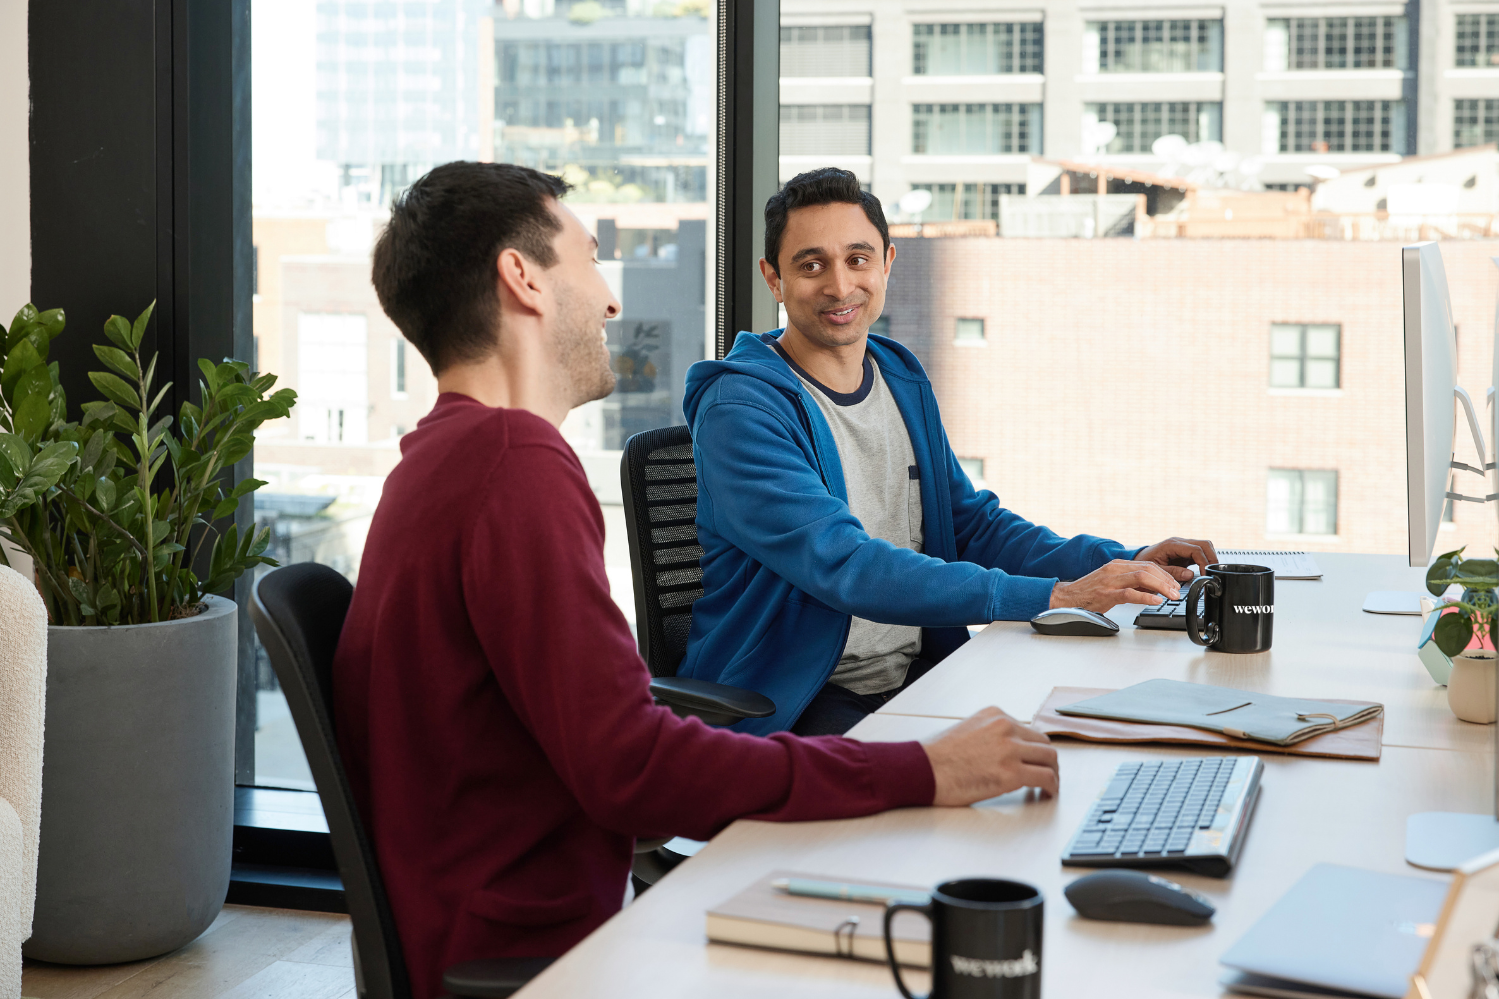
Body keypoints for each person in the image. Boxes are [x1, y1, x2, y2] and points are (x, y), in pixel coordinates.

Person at [333, 161, 1061, 999]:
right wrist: (920, 769)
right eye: (591, 258)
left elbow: (608, 751)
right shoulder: (512, 467)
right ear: (523, 278)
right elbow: (633, 768)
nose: (610, 301)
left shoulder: (441, 460)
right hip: (558, 953)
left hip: (498, 924)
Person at [679, 167, 1217, 738]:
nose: (839, 286)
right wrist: (1057, 597)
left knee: (1082, 738)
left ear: (886, 263)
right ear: (774, 278)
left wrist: (1121, 562)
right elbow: (846, 565)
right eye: (811, 265)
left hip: (918, 674)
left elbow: (969, 524)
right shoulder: (740, 408)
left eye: (857, 259)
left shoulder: (897, 374)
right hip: (791, 695)